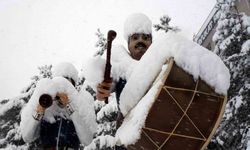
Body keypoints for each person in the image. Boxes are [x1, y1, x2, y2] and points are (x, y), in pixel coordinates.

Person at [96, 13, 153, 149]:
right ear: (128, 44)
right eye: (135, 38)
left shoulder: (162, 67)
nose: (141, 41)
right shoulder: (120, 69)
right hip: (127, 137)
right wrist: (101, 91)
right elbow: (105, 89)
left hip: (157, 135)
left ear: (152, 43)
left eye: (146, 38)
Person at [20, 62, 97, 150]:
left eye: (67, 86)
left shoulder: (81, 103)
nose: (62, 89)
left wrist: (69, 106)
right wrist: (40, 110)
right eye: (59, 85)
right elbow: (27, 137)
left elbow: (87, 140)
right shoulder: (44, 101)